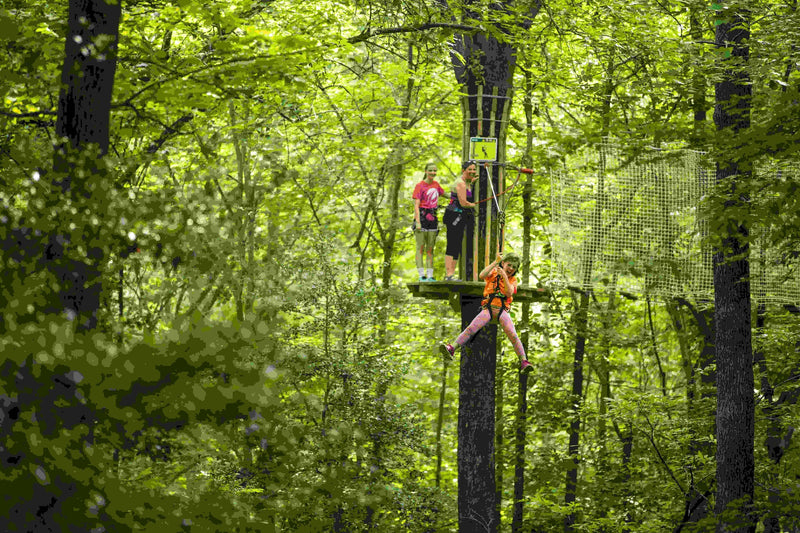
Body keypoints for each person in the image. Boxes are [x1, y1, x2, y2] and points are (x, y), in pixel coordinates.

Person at [439, 252, 532, 373]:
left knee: (513, 335)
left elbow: (509, 293)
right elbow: (482, 275)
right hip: (488, 309)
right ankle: (452, 348)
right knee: (471, 329)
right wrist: (496, 262)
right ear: (503, 263)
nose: (511, 269)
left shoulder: (513, 280)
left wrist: (504, 275)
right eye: (509, 265)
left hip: (502, 311)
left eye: (514, 267)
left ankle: (523, 361)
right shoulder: (493, 273)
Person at [442, 160, 478, 281]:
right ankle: (449, 275)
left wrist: (472, 180)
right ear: (464, 170)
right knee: (452, 244)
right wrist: (475, 205)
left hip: (459, 216)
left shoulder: (466, 182)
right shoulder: (461, 183)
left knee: (456, 245)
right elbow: (463, 203)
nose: (472, 172)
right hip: (453, 216)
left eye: (474, 169)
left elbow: (468, 186)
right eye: (470, 170)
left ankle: (451, 274)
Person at [412, 162, 446, 281]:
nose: (433, 173)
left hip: (433, 217)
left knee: (430, 249)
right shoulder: (420, 186)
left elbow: (445, 194)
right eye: (430, 170)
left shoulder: (436, 185)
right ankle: (422, 275)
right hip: (421, 217)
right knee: (420, 247)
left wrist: (462, 192)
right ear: (426, 171)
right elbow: (416, 205)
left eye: (434, 171)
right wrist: (418, 222)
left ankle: (430, 276)